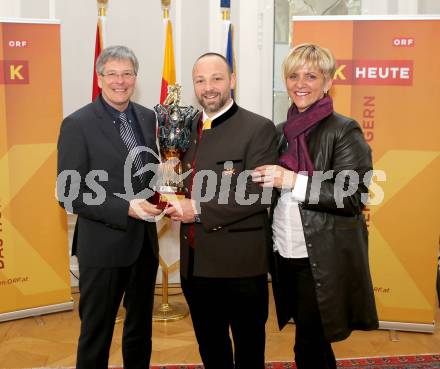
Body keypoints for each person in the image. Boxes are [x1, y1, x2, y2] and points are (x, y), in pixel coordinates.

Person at [252, 43, 378, 369]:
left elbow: (353, 196)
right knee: (314, 344)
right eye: (293, 75)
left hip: (321, 257)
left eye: (311, 75)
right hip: (285, 252)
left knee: (307, 344)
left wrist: (292, 180)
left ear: (327, 82)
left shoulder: (344, 130)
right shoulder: (279, 133)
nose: (301, 83)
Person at [165, 53, 278, 369]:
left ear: (232, 80)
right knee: (211, 348)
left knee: (248, 350)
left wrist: (196, 209)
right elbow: (176, 178)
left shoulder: (258, 128)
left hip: (240, 266)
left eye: (216, 78)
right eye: (200, 80)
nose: (208, 87)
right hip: (195, 264)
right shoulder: (184, 130)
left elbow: (260, 193)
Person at [57, 45, 162, 369]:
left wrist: (165, 188)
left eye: (127, 73)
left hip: (144, 245)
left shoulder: (147, 117)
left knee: (140, 331)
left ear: (135, 78)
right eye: (113, 74)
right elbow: (69, 192)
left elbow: (146, 171)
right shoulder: (78, 124)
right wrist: (124, 208)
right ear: (99, 77)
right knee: (96, 333)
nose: (121, 81)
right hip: (102, 247)